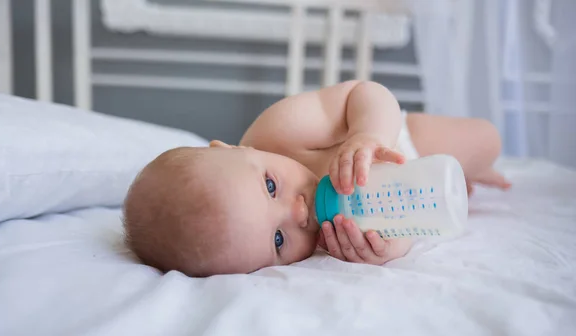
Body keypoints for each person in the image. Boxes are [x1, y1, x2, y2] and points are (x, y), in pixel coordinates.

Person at [123, 80, 510, 277]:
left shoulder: (277, 131)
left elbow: (364, 92)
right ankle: (463, 179)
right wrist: (388, 247)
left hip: (396, 138)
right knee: (446, 185)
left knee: (488, 139)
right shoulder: (326, 236)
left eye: (270, 186)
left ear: (232, 149)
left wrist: (368, 135)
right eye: (278, 240)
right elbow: (398, 224)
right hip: (410, 187)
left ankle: (474, 168)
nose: (299, 214)